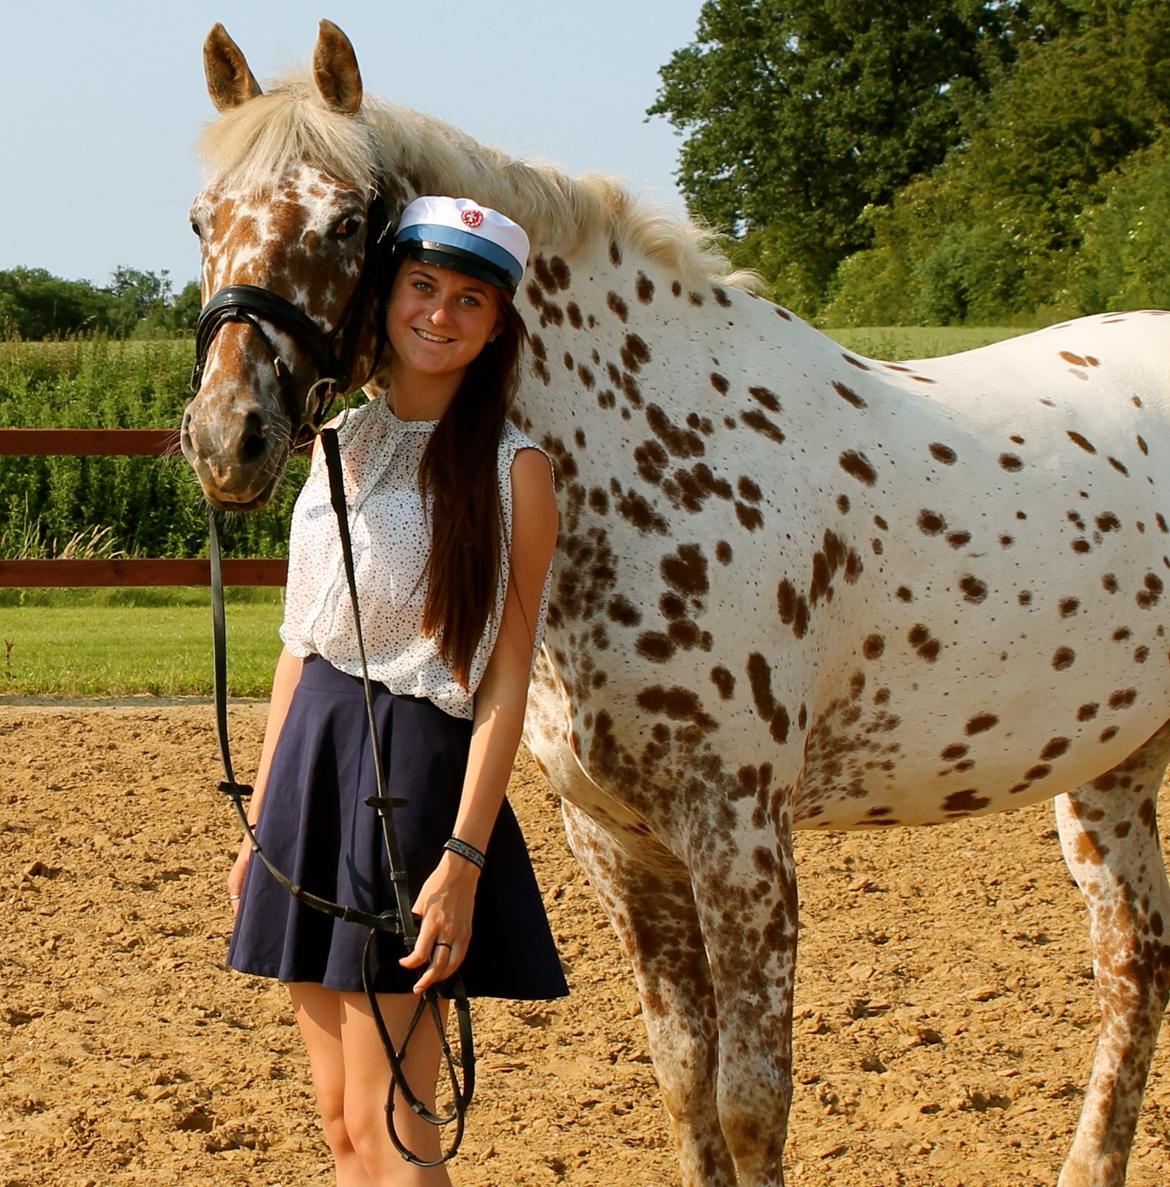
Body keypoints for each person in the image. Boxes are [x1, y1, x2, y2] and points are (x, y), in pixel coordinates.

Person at [225, 195, 567, 1186]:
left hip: (409, 781)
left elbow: (508, 677)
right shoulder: (335, 444)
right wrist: (260, 814)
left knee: (394, 1124)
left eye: (470, 299)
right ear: (388, 298)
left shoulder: (516, 470)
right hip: (309, 770)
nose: (440, 314)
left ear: (498, 324)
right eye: (423, 286)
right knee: (339, 1121)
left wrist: (463, 855)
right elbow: (300, 644)